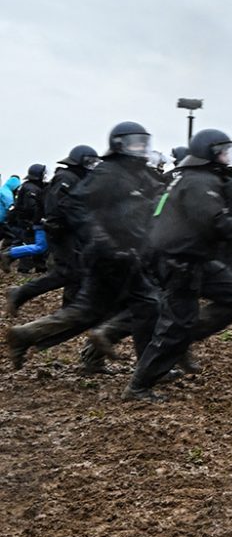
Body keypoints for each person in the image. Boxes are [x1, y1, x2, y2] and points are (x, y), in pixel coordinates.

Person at [6, 122, 161, 371]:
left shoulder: (135, 173)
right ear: (119, 144)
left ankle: (27, 335)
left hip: (125, 253)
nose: (141, 147)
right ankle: (148, 370)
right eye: (134, 142)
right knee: (138, 305)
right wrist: (100, 236)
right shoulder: (108, 172)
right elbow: (75, 205)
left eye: (143, 142)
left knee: (97, 310)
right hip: (106, 255)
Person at [124, 129, 232, 400]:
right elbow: (216, 223)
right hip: (179, 261)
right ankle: (139, 385)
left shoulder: (197, 178)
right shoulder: (199, 182)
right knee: (177, 325)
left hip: (196, 258)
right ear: (211, 153)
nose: (228, 157)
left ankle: (179, 341)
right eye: (223, 151)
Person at [5, 145, 100, 316]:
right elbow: (56, 206)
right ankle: (21, 292)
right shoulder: (66, 177)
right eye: (89, 162)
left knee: (74, 271)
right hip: (62, 232)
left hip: (72, 231)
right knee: (66, 272)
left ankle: (69, 309)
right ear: (80, 161)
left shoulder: (77, 179)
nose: (92, 166)